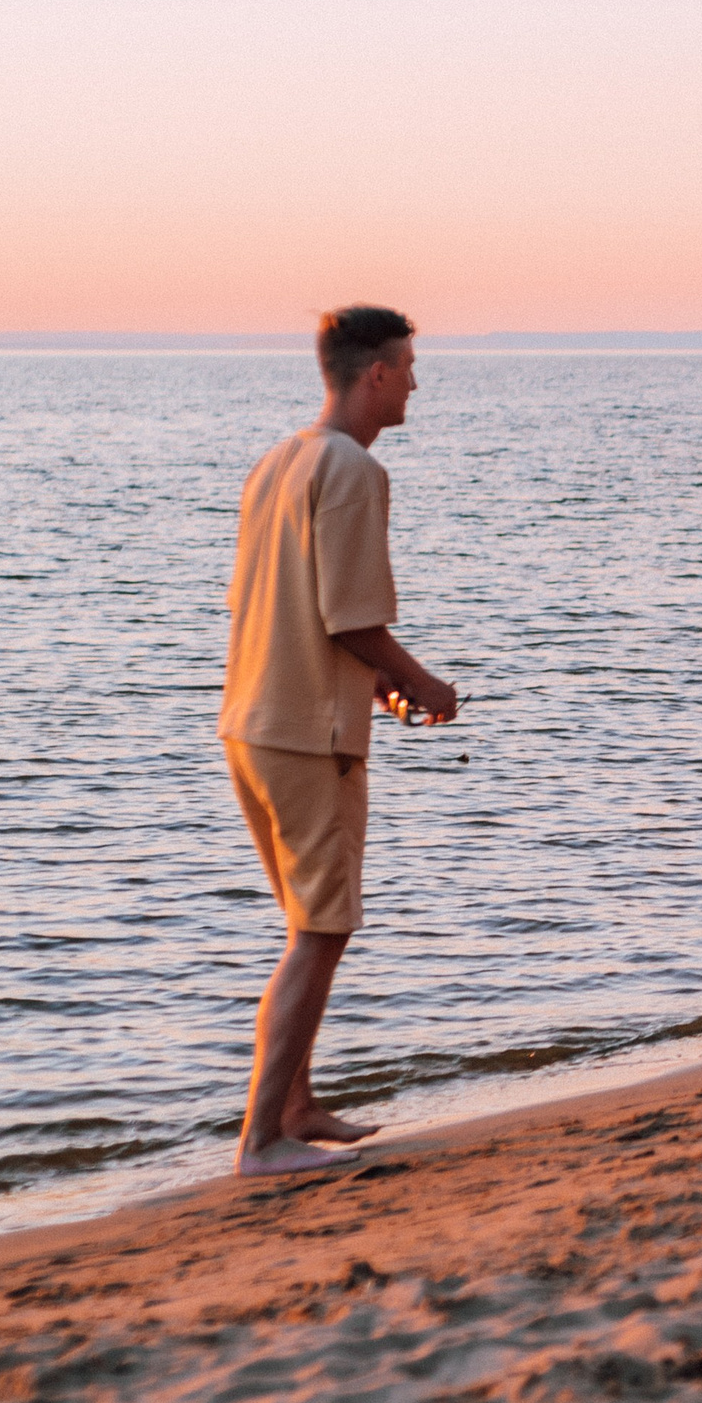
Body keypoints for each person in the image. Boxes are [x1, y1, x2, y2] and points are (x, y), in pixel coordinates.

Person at [218, 305, 459, 1176]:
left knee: (306, 923)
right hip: (306, 734)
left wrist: (380, 680)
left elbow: (299, 610)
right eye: (408, 365)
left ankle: (297, 1104)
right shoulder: (352, 467)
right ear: (377, 374)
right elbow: (351, 614)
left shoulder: (277, 461)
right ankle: (262, 1141)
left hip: (250, 719)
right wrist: (421, 680)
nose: (417, 383)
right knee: (320, 930)